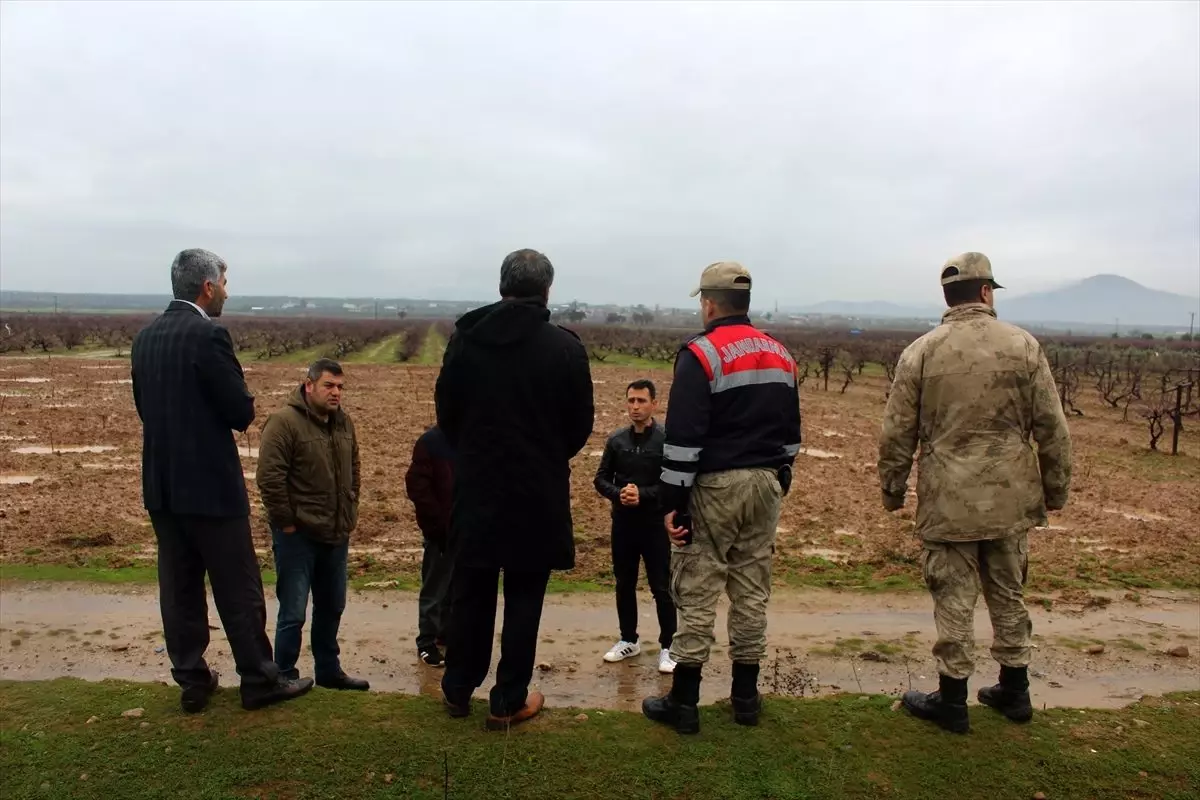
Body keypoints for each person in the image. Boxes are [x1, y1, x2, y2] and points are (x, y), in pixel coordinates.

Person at [878, 252, 1072, 734]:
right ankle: (1015, 689)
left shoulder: (922, 351)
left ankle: (952, 700)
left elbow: (897, 432)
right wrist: (1056, 489)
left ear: (949, 298)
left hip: (948, 501)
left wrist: (893, 490)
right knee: (1008, 592)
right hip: (1011, 499)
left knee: (953, 598)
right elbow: (1053, 427)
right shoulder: (1024, 347)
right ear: (987, 293)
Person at [131, 248, 313, 713]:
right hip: (211, 489)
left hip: (162, 487)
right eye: (225, 283)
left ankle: (193, 681)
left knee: (179, 588)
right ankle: (259, 680)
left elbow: (144, 410)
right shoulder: (209, 335)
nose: (227, 293)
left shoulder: (145, 338)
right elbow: (240, 412)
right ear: (207, 287)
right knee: (239, 589)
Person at [435, 248, 594, 730]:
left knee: (471, 593)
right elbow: (579, 426)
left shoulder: (465, 340)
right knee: (525, 599)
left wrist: (476, 456)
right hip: (537, 493)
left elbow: (447, 417)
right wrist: (544, 457)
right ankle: (507, 701)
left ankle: (458, 689)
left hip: (477, 489)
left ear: (502, 286)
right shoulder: (565, 348)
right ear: (547, 291)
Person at [643, 261, 802, 735]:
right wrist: (780, 475)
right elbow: (791, 434)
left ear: (709, 303)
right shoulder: (781, 353)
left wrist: (672, 501)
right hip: (766, 482)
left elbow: (684, 440)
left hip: (716, 486)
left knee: (697, 587)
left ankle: (685, 702)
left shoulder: (701, 353)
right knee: (752, 591)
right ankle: (746, 698)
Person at [256, 358, 368, 692]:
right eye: (329, 385)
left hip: (336, 532)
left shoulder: (343, 423)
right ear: (309, 385)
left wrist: (350, 511)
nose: (336, 393)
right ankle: (285, 674)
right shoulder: (284, 422)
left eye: (340, 387)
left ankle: (329, 671)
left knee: (332, 605)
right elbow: (269, 478)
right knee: (293, 610)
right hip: (298, 536)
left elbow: (355, 469)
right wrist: (286, 524)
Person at [594, 379, 677, 674]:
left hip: (654, 524)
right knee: (624, 584)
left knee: (661, 587)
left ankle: (669, 646)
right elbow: (600, 478)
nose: (635, 407)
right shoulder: (617, 441)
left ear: (654, 403)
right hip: (623, 524)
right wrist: (619, 494)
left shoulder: (666, 439)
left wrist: (643, 494)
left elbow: (672, 482)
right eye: (631, 401)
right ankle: (629, 639)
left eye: (641, 401)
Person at [405, 424, 456, 668]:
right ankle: (426, 641)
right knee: (435, 588)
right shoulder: (430, 442)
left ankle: (447, 635)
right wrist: (437, 526)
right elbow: (417, 487)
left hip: (466, 531)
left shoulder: (472, 438)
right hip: (440, 533)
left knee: (456, 588)